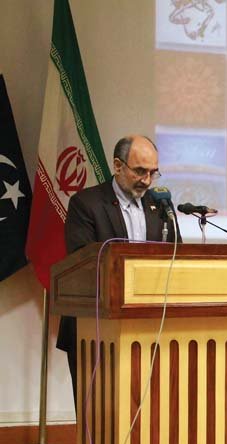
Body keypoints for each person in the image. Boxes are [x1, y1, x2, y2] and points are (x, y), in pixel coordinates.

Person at [58, 134, 181, 407]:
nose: (147, 181)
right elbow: (82, 263)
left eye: (153, 173)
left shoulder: (160, 206)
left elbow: (176, 256)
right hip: (96, 328)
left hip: (149, 326)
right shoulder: (86, 204)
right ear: (117, 165)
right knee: (99, 412)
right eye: (139, 171)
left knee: (148, 410)